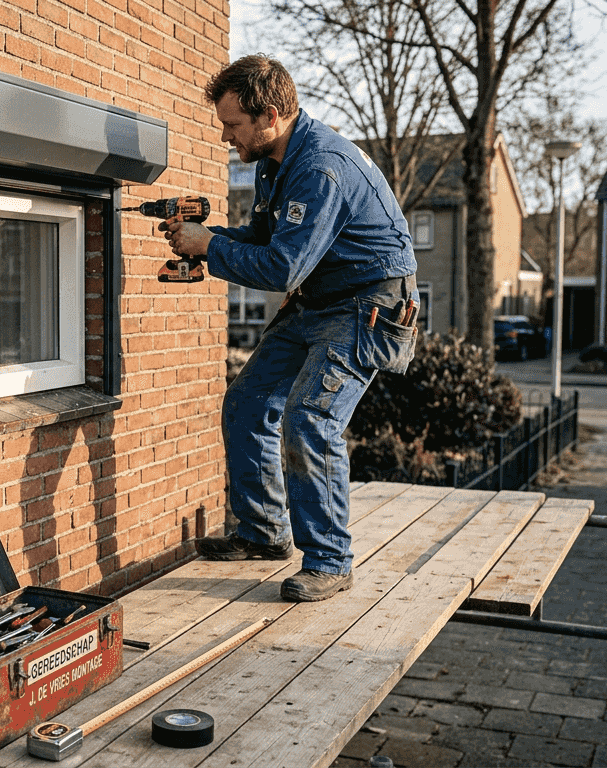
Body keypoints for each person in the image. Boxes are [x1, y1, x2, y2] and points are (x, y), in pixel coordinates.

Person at [163, 55, 419, 602]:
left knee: (311, 416)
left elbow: (282, 268)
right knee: (248, 401)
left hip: (369, 304)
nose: (227, 135)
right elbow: (263, 236)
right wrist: (209, 237)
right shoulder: (273, 159)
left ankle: (330, 560)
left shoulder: (319, 167)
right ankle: (263, 533)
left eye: (234, 125)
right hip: (319, 298)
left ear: (271, 115)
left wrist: (209, 247)